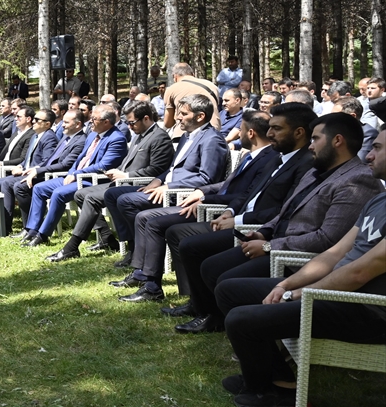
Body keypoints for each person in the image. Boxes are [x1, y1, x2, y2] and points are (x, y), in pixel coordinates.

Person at [212, 129, 386, 407]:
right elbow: (333, 255)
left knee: (242, 319)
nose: (368, 153)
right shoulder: (379, 202)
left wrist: (298, 294)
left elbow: (360, 273)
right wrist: (285, 285)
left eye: (377, 147)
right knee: (231, 291)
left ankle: (273, 395)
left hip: (368, 309)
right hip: (337, 295)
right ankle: (277, 382)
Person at [177, 112, 381, 333]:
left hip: (296, 258)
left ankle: (243, 326)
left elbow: (327, 239)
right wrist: (264, 232)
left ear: (337, 141)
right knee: (210, 265)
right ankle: (218, 318)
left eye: (315, 139)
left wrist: (269, 247)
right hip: (276, 243)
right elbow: (286, 211)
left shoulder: (358, 180)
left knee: (225, 279)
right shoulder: (316, 171)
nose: (310, 146)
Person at [164, 103, 318, 328]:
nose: (270, 133)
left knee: (193, 247)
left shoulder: (306, 163)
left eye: (277, 129)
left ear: (299, 132)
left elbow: (285, 209)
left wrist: (239, 221)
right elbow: (248, 193)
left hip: (259, 228)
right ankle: (199, 304)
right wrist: (229, 211)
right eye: (270, 128)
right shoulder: (278, 156)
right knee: (182, 237)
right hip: (242, 219)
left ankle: (211, 315)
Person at [116, 110, 281, 303]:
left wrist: (207, 201)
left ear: (251, 133)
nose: (238, 133)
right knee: (145, 217)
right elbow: (226, 184)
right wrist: (202, 192)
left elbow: (246, 194)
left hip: (219, 210)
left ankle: (154, 285)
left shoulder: (268, 158)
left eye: (241, 129)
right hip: (210, 203)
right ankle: (149, 278)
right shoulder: (251, 156)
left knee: (152, 221)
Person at [102, 94, 228, 279]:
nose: (177, 117)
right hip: (166, 187)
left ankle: (141, 261)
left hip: (182, 195)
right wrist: (159, 180)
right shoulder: (187, 136)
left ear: (200, 116)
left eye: (183, 114)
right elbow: (173, 168)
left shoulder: (211, 140)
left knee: (128, 202)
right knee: (114, 194)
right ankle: (137, 250)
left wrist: (169, 186)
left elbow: (207, 178)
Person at [44, 100, 174, 262]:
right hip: (124, 182)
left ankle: (73, 246)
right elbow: (128, 163)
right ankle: (107, 237)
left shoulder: (159, 138)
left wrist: (126, 176)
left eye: (132, 122)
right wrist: (118, 172)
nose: (129, 126)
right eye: (128, 122)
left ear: (146, 118)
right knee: (81, 194)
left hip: (142, 185)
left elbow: (157, 170)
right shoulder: (138, 136)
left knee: (93, 198)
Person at [20, 104, 129, 247]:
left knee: (58, 193)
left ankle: (43, 235)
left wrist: (77, 174)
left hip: (93, 181)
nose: (90, 122)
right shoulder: (92, 136)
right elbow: (79, 160)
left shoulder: (116, 139)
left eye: (94, 119)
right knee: (39, 188)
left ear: (106, 122)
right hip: (76, 177)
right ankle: (33, 230)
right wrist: (72, 173)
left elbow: (104, 166)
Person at [0, 109, 87, 236]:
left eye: (37, 120)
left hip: (52, 175)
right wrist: (21, 166)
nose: (62, 125)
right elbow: (40, 159)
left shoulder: (60, 138)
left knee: (17, 186)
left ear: (47, 124)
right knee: (0, 183)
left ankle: (27, 227)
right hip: (39, 172)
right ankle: (9, 226)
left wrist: (36, 171)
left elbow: (63, 164)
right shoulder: (59, 137)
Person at [162, 63, 222, 135]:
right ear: (193, 74)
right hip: (213, 131)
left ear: (174, 76)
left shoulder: (171, 89)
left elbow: (168, 123)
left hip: (184, 134)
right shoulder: (212, 85)